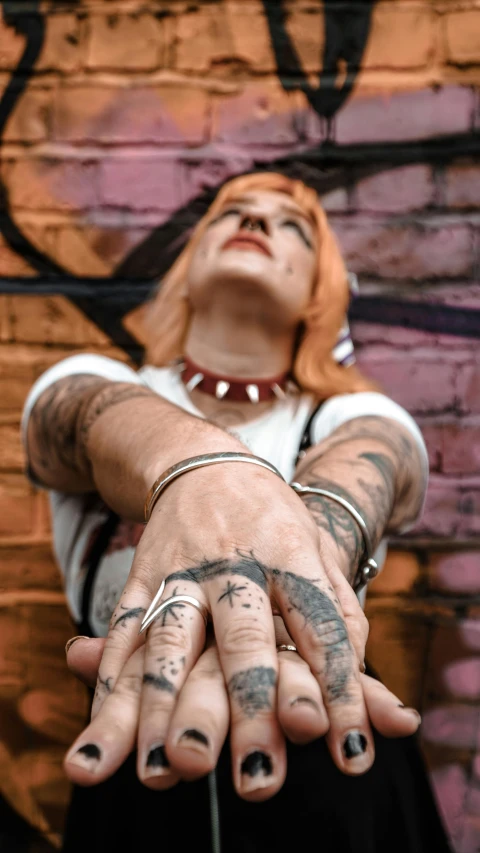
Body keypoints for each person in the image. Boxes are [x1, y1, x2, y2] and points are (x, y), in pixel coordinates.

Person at [21, 173, 452, 853]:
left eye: (294, 225)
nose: (257, 219)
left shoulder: (348, 414)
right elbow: (73, 415)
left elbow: (381, 457)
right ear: (188, 268)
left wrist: (301, 535)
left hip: (331, 765)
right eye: (233, 212)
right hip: (135, 768)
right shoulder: (104, 387)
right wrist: (201, 467)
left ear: (319, 294)